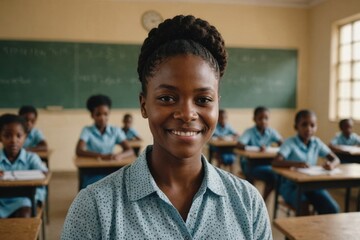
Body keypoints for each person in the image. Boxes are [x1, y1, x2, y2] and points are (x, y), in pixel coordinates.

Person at [62, 15, 271, 239]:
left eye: (203, 100)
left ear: (217, 104)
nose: (187, 114)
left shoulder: (248, 202)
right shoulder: (94, 208)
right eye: (167, 98)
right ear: (144, 105)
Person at [272, 109, 340, 215]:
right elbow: (276, 162)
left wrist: (331, 165)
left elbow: (336, 159)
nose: (308, 129)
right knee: (303, 205)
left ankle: (319, 230)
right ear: (296, 127)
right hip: (291, 186)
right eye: (304, 125)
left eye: (312, 125)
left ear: (316, 127)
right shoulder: (290, 142)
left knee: (332, 208)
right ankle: (303, 231)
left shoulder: (316, 142)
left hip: (311, 184)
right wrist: (296, 164)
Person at [75, 94, 134, 189]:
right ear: (92, 115)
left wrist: (119, 155)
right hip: (92, 169)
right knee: (93, 186)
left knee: (122, 185)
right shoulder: (87, 130)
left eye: (105, 114)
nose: (102, 117)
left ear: (109, 114)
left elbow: (129, 150)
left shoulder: (115, 130)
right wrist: (102, 156)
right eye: (98, 114)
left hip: (111, 168)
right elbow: (79, 150)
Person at [0, 114, 47, 218]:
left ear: (25, 137)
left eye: (19, 136)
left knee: (25, 211)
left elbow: (44, 175)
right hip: (1, 201)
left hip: (24, 199)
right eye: (7, 136)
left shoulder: (31, 158)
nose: (13, 140)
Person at [237, 106, 282, 202]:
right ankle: (250, 200)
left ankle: (262, 201)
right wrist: (257, 149)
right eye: (260, 118)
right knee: (250, 179)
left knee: (274, 177)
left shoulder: (271, 131)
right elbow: (239, 145)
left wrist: (270, 148)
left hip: (266, 163)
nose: (263, 121)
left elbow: (283, 145)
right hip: (250, 163)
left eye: (266, 118)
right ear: (254, 119)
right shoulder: (249, 131)